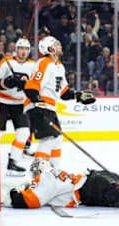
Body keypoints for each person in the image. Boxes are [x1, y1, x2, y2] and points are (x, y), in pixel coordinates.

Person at [23, 36, 96, 169]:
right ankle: (38, 174)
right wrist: (37, 103)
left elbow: (64, 93)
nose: (60, 45)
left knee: (57, 139)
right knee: (48, 139)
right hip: (39, 106)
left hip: (49, 108)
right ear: (50, 49)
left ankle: (55, 173)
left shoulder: (59, 67)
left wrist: (78, 96)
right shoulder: (44, 63)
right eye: (57, 44)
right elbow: (32, 86)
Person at [2, 159, 119, 209]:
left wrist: (11, 195)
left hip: (89, 190)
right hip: (94, 178)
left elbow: (31, 201)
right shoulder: (53, 173)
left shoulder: (44, 179)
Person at [0, 38, 36, 176]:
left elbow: (36, 85)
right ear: (16, 50)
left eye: (26, 49)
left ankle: (12, 164)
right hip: (2, 103)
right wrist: (6, 83)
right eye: (21, 48)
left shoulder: (33, 65)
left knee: (24, 133)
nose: (23, 52)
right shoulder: (7, 62)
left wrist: (31, 90)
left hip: (20, 104)